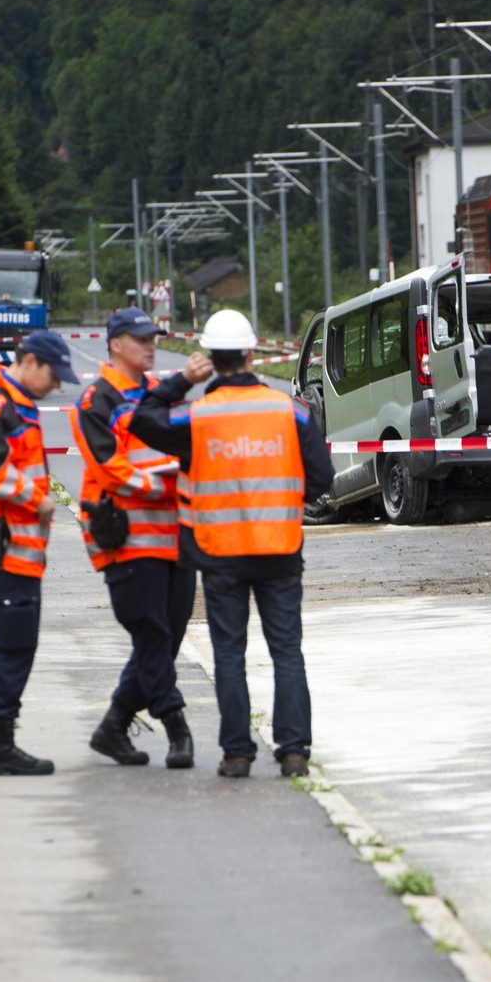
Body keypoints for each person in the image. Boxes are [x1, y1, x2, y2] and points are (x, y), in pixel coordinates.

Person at [130, 309, 334, 780]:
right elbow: (322, 477)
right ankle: (294, 752)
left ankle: (238, 754)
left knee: (229, 654)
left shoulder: (196, 417)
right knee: (287, 651)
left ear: (211, 359)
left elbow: (142, 421)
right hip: (280, 548)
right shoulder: (290, 409)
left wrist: (179, 380)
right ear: (250, 352)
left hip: (220, 553)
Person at [70, 308, 213, 769]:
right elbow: (111, 468)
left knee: (165, 640)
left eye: (155, 338)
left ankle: (113, 725)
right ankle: (177, 727)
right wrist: (166, 482)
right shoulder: (97, 399)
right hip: (126, 537)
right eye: (141, 339)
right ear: (115, 345)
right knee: (151, 633)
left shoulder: (156, 392)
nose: (152, 345)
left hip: (173, 536)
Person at [0, 331, 78, 776]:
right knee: (11, 645)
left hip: (6, 549)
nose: (56, 386)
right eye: (52, 374)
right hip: (1, 549)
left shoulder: (11, 403)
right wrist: (37, 498)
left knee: (0, 645)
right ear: (28, 362)